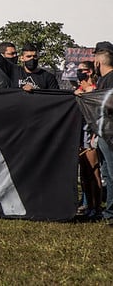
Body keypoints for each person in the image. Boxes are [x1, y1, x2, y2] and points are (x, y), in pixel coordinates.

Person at [0, 25, 59, 91]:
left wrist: (36, 92)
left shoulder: (48, 77)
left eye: (35, 56)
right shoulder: (14, 71)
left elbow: (56, 98)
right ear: (22, 58)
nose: (32, 59)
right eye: (28, 56)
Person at [75, 61, 102, 220]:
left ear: (90, 72)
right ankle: (88, 205)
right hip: (80, 134)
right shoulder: (79, 90)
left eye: (82, 70)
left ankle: (97, 207)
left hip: (91, 134)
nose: (79, 73)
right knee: (84, 173)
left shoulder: (95, 90)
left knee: (94, 171)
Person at [90, 41, 113, 224]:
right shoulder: (103, 80)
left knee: (112, 173)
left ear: (98, 62)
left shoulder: (111, 78)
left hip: (110, 133)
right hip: (103, 132)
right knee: (106, 173)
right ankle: (109, 212)